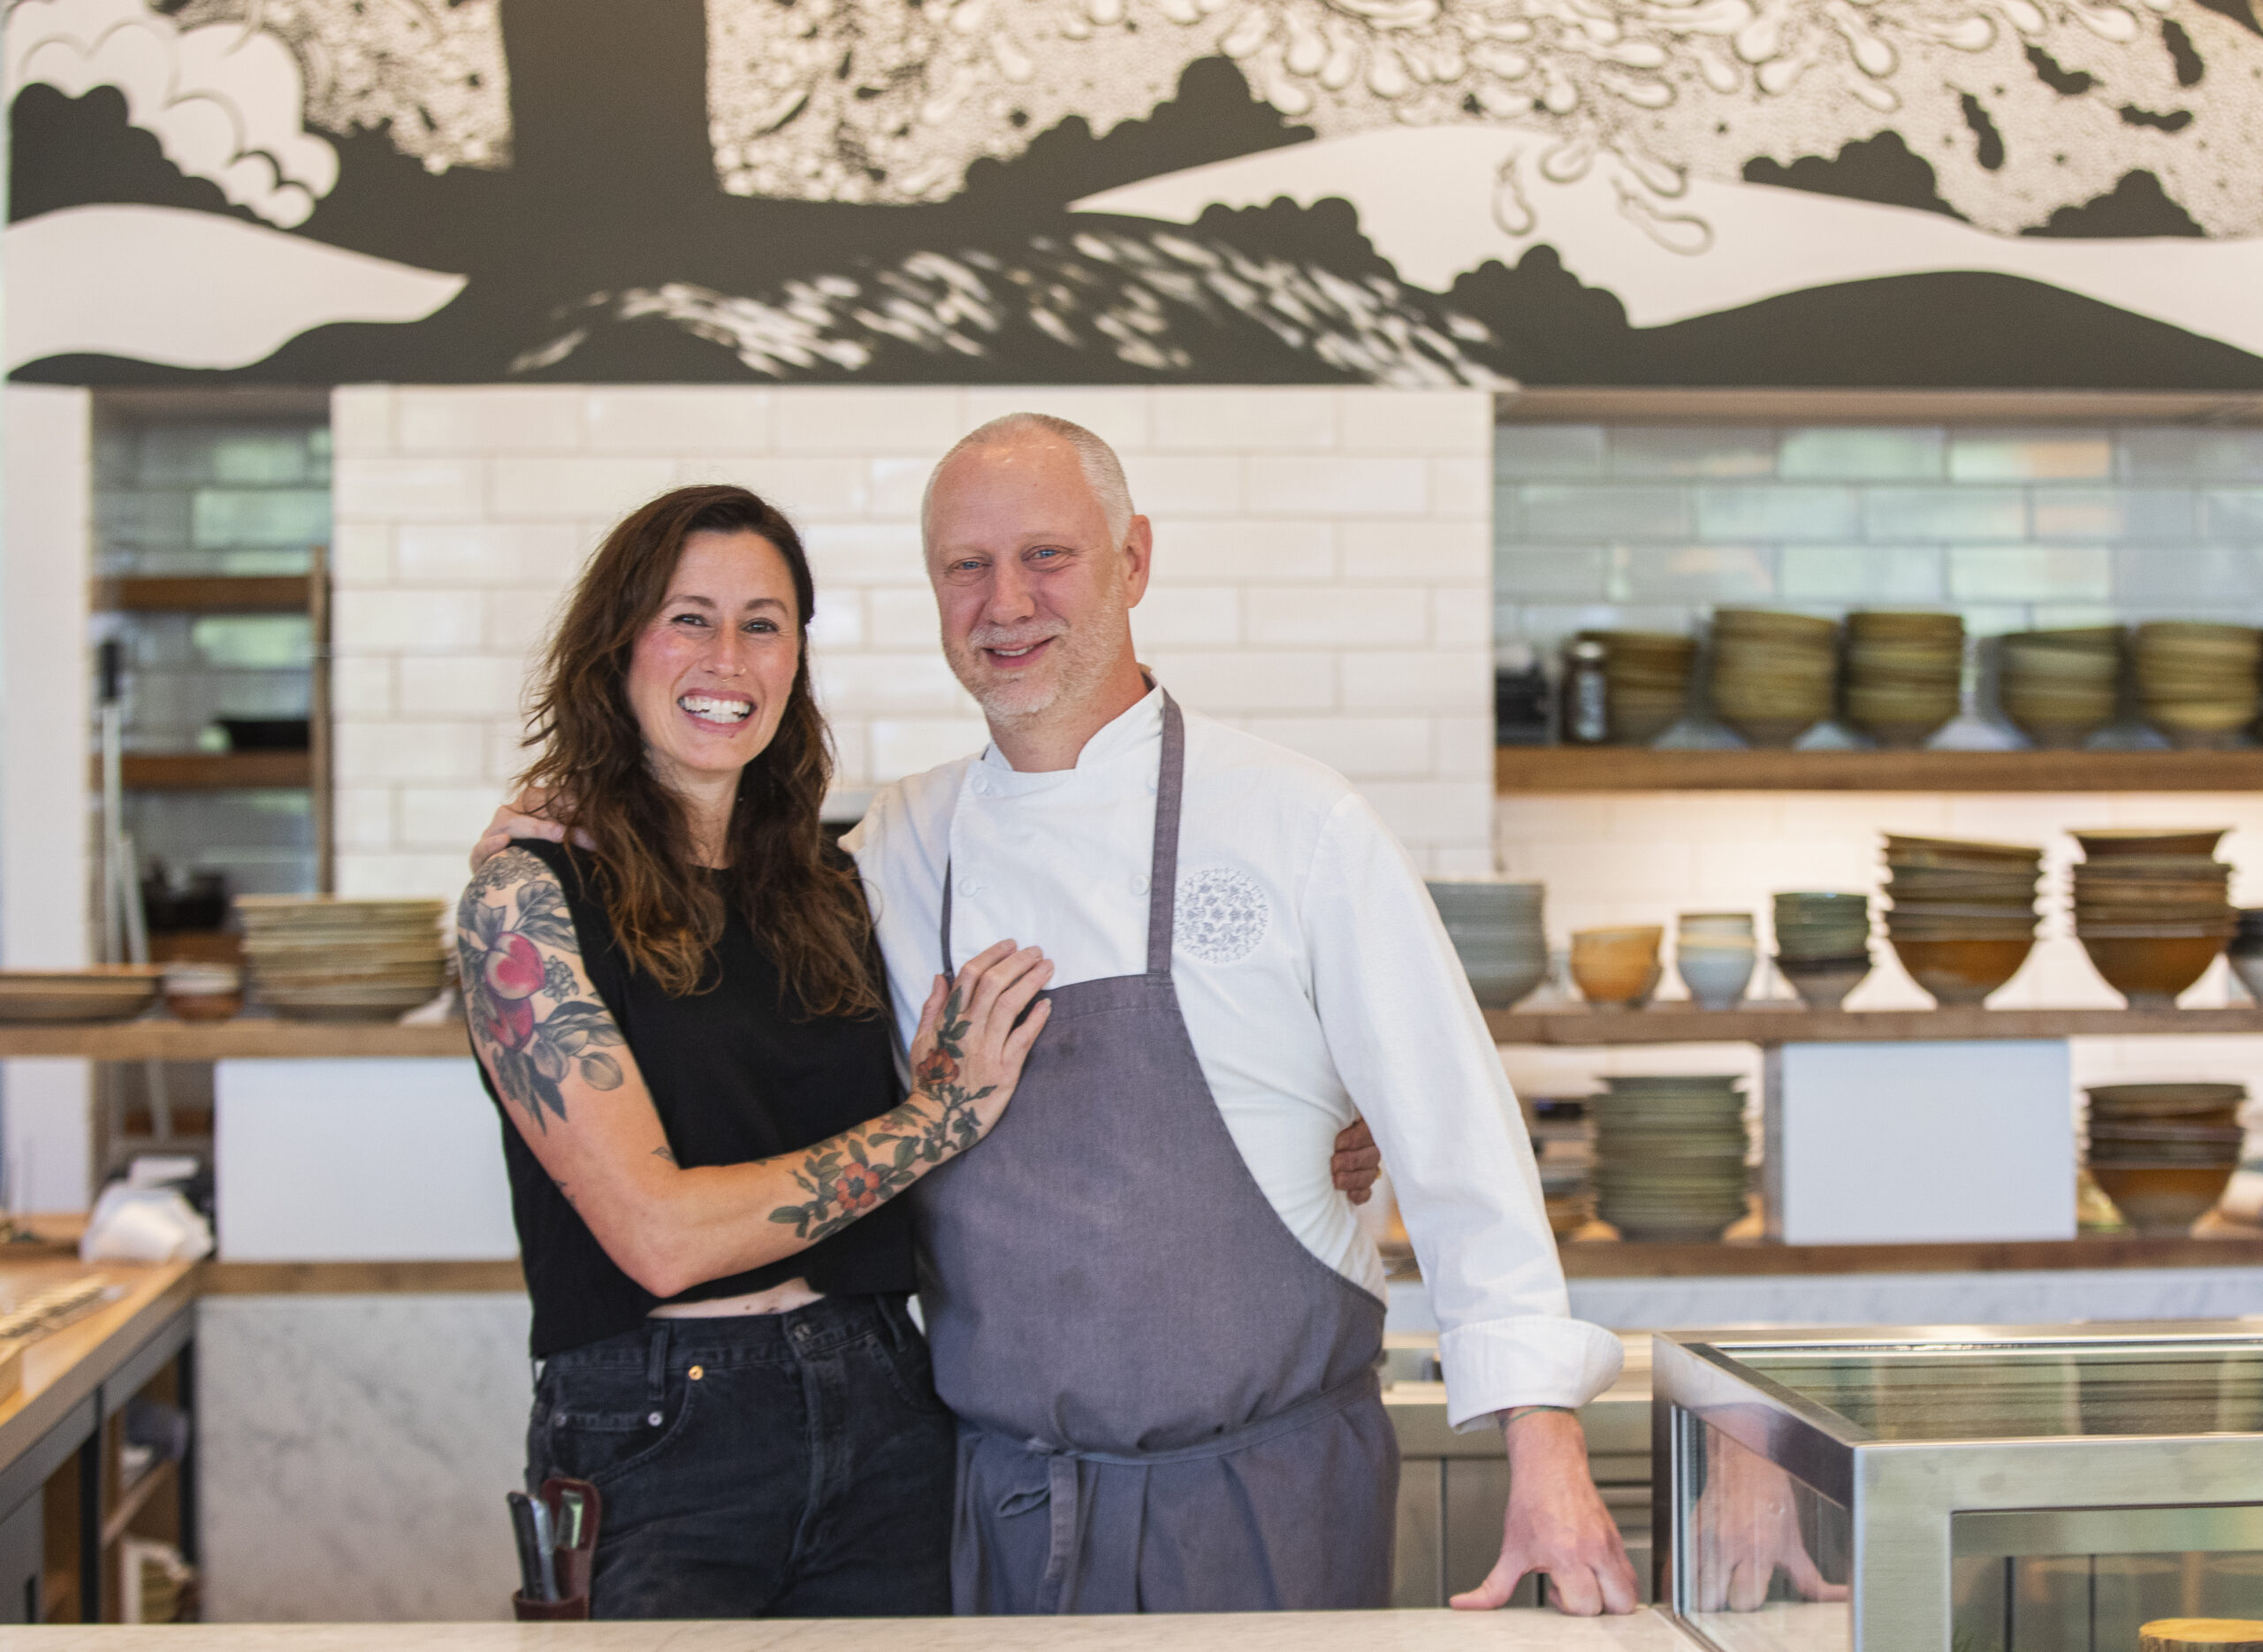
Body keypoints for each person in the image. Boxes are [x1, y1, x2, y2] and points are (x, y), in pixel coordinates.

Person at [477, 417, 1617, 1616]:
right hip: (993, 1502)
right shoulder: (889, 854)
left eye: (1047, 557)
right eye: (965, 567)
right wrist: (555, 837)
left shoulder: (1298, 822)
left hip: (1266, 1492)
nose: (1004, 601)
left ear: (1133, 562)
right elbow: (714, 956)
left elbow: (1457, 1143)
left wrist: (1544, 1443)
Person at [458, 483, 1056, 1618]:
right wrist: (933, 1119)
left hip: (885, 1396)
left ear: (795, 659)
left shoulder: (835, 884)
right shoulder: (524, 904)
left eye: (763, 623)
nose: (727, 655)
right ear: (616, 645)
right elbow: (659, 1236)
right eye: (688, 616)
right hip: (659, 1431)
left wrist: (1309, 1126)